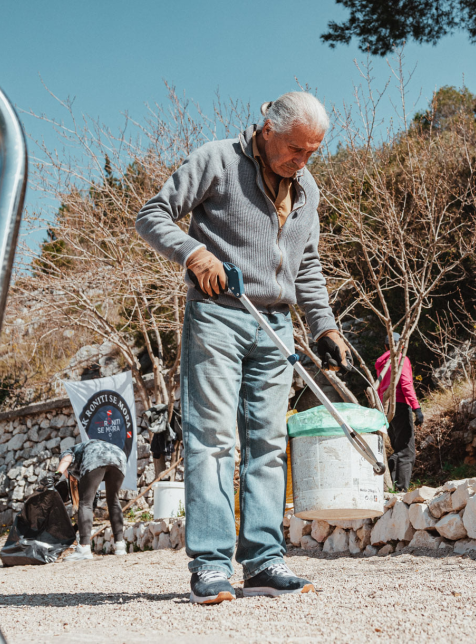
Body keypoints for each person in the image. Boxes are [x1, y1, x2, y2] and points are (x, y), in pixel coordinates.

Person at [135, 92, 351, 605]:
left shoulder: (308, 189)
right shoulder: (217, 160)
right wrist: (193, 252)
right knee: (212, 440)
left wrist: (325, 326)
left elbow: (309, 264)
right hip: (218, 316)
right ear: (268, 128)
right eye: (296, 149)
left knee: (268, 445)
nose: (302, 161)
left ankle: (263, 562)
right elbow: (152, 215)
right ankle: (210, 567)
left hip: (275, 326)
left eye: (312, 153)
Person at [53, 438, 127, 560]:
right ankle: (120, 546)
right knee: (113, 501)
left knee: (84, 503)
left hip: (96, 455)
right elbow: (94, 499)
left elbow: (66, 458)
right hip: (119, 456)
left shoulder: (72, 451)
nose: (71, 479)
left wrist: (57, 474)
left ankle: (84, 549)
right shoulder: (83, 462)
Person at [375, 333, 423, 492]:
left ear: (385, 346)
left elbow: (379, 387)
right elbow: (406, 384)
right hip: (400, 405)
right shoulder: (401, 360)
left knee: (398, 450)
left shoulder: (381, 363)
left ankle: (391, 488)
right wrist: (417, 408)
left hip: (386, 410)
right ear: (400, 345)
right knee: (407, 452)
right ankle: (401, 491)